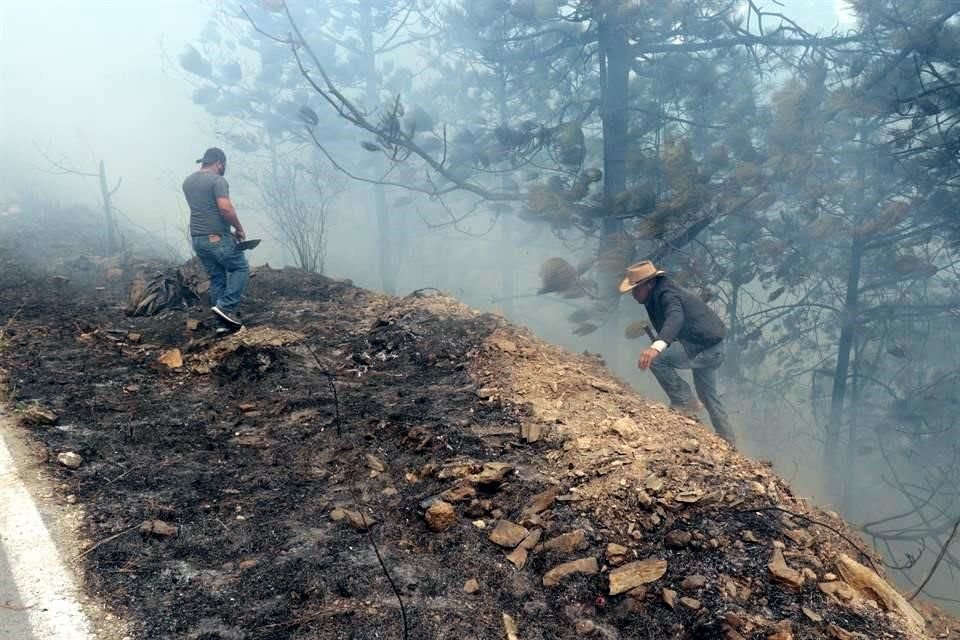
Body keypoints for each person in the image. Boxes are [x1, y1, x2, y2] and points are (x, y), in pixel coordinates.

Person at [620, 260, 735, 444]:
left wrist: (656, 347)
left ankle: (685, 403)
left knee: (657, 360)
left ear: (649, 284)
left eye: (636, 289)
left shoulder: (667, 293)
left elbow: (675, 318)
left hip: (704, 347)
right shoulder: (656, 293)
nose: (633, 294)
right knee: (709, 397)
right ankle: (730, 442)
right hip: (709, 346)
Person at [182, 147, 248, 331]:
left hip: (198, 239)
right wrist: (239, 228)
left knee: (218, 278)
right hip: (215, 237)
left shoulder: (188, 182)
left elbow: (204, 210)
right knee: (239, 267)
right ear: (219, 163)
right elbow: (225, 209)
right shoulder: (218, 180)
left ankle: (222, 325)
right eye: (224, 165)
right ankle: (226, 307)